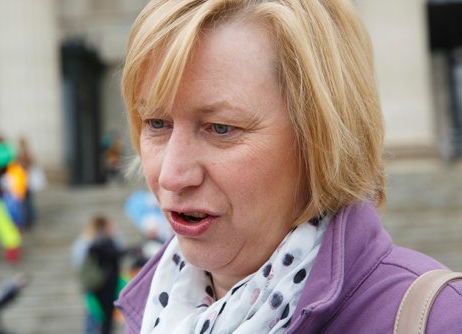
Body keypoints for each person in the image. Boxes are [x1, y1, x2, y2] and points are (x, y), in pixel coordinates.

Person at [115, 0, 462, 333]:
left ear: (320, 137)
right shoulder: (149, 315)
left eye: (221, 128)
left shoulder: (441, 321)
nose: (171, 176)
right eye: (156, 123)